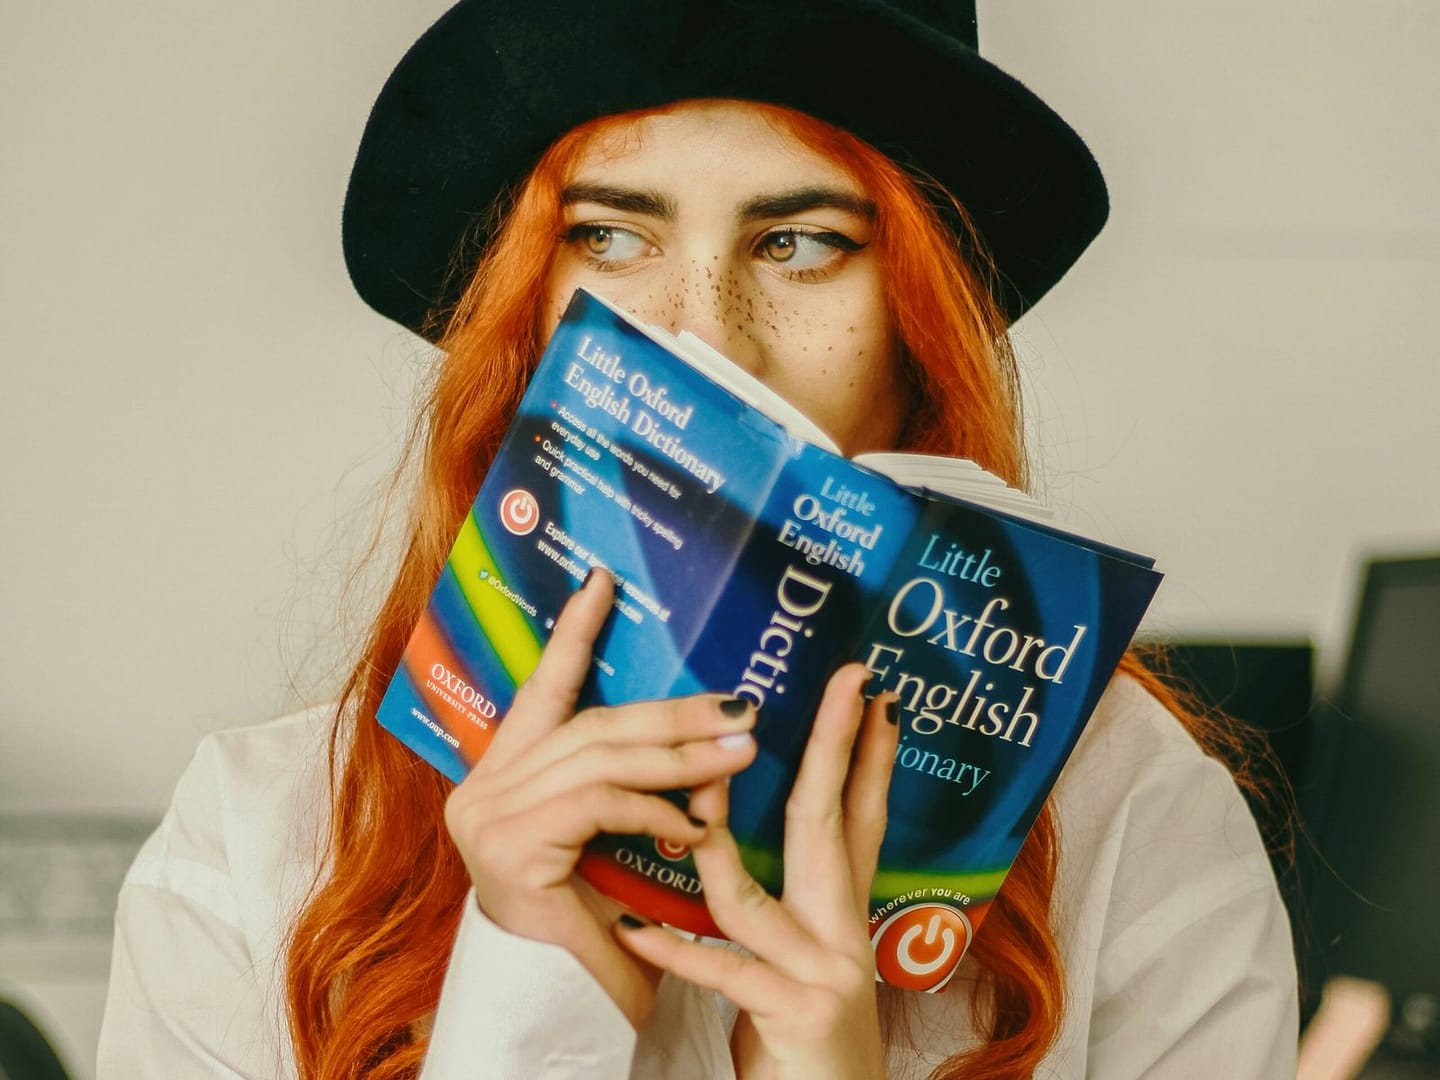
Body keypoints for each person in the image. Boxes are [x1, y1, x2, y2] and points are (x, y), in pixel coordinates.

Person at [98, 2, 1299, 1077]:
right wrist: (527, 993)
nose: (706, 338)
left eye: (801, 241)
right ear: (521, 321)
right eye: (611, 238)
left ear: (916, 331)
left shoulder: (1131, 815)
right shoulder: (260, 847)